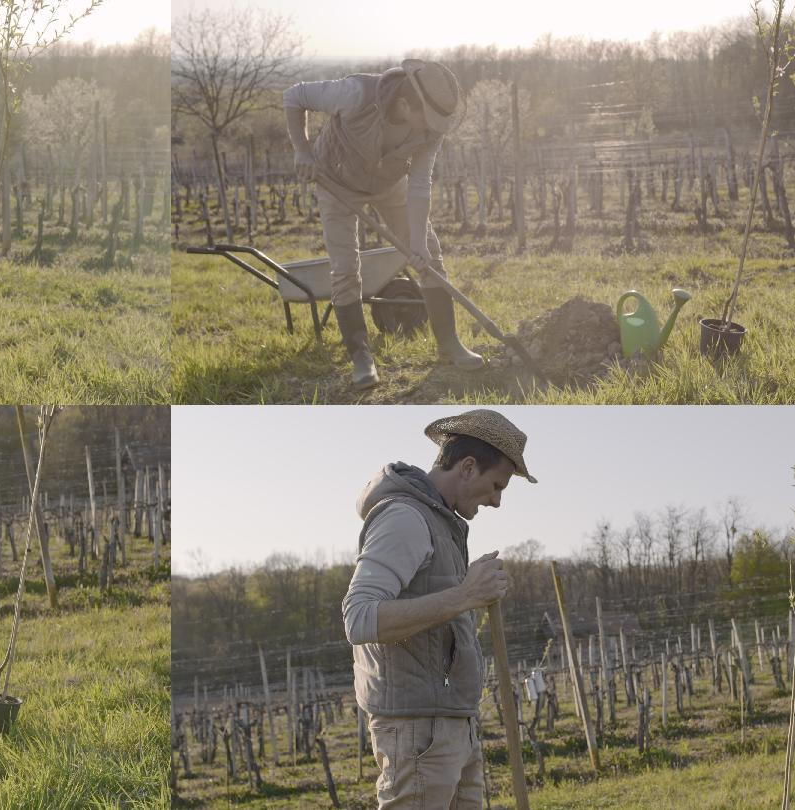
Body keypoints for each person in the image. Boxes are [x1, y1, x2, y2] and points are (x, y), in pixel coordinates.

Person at [342, 409, 534, 808]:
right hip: (419, 733)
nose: (497, 501)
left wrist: (474, 596)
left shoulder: (442, 523)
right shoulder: (405, 518)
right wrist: (465, 595)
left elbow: (433, 616)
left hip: (449, 723)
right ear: (467, 468)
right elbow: (359, 618)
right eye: (496, 485)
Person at [285, 59, 481, 391]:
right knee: (345, 269)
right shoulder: (355, 94)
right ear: (405, 104)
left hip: (390, 185)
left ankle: (449, 345)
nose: (433, 128)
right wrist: (302, 151)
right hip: (335, 181)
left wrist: (416, 243)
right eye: (427, 119)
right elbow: (294, 96)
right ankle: (362, 358)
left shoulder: (432, 132)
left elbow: (420, 186)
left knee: (430, 257)